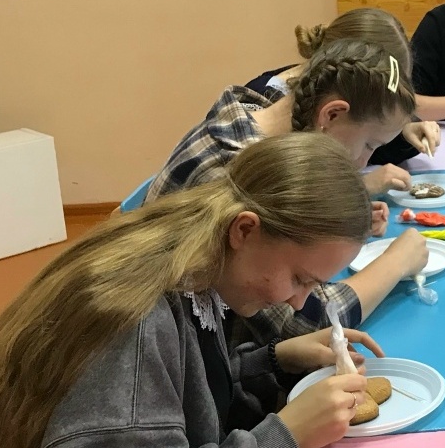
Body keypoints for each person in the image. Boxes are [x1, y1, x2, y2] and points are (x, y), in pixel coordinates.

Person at [0, 133, 385, 448]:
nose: (299, 302)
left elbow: (178, 389)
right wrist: (284, 435)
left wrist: (271, 362)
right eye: (299, 278)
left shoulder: (197, 265)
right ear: (245, 230)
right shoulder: (135, 324)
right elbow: (137, 390)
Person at [148, 40, 430, 347]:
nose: (363, 162)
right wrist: (397, 262)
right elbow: (299, 321)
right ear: (331, 115)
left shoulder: (254, 114)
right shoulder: (234, 177)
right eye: (369, 145)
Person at [244, 7, 441, 166]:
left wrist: (404, 131)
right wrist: (366, 186)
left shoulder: (324, 108)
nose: (362, 162)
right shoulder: (270, 108)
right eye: (369, 145)